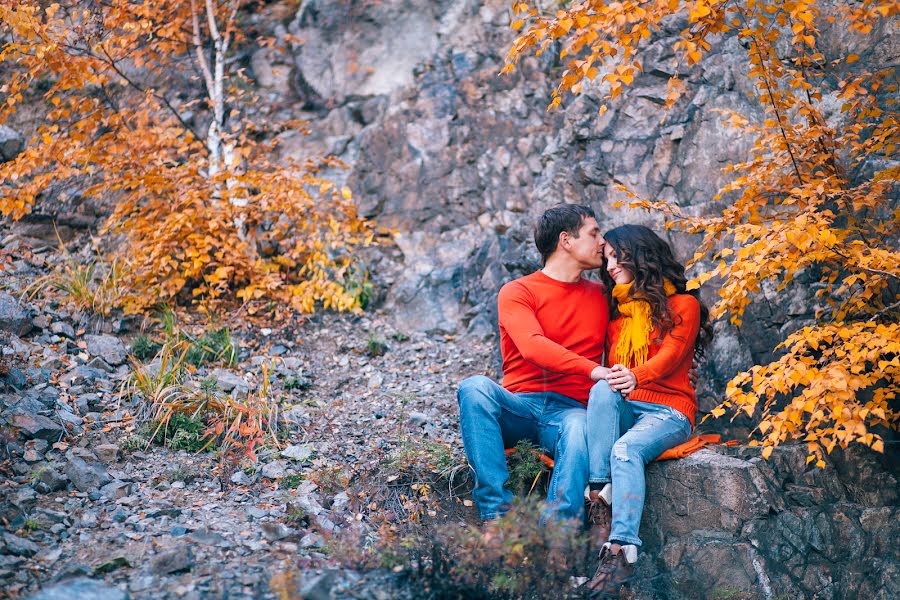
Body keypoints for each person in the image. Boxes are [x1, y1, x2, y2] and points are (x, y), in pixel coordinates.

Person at [456, 203, 612, 524]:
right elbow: (532, 346)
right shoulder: (517, 291)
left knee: (579, 425)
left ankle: (558, 536)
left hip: (571, 413)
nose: (603, 242)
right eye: (594, 233)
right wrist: (593, 369)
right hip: (520, 408)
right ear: (566, 240)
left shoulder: (605, 297)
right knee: (474, 388)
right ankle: (497, 518)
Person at [584, 224, 713, 595]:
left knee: (624, 451)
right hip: (628, 405)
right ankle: (600, 497)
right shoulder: (617, 317)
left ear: (640, 256)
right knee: (601, 390)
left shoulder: (682, 306)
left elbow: (671, 358)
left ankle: (621, 549)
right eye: (605, 258)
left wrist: (634, 377)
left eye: (615, 257)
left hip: (669, 412)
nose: (608, 266)